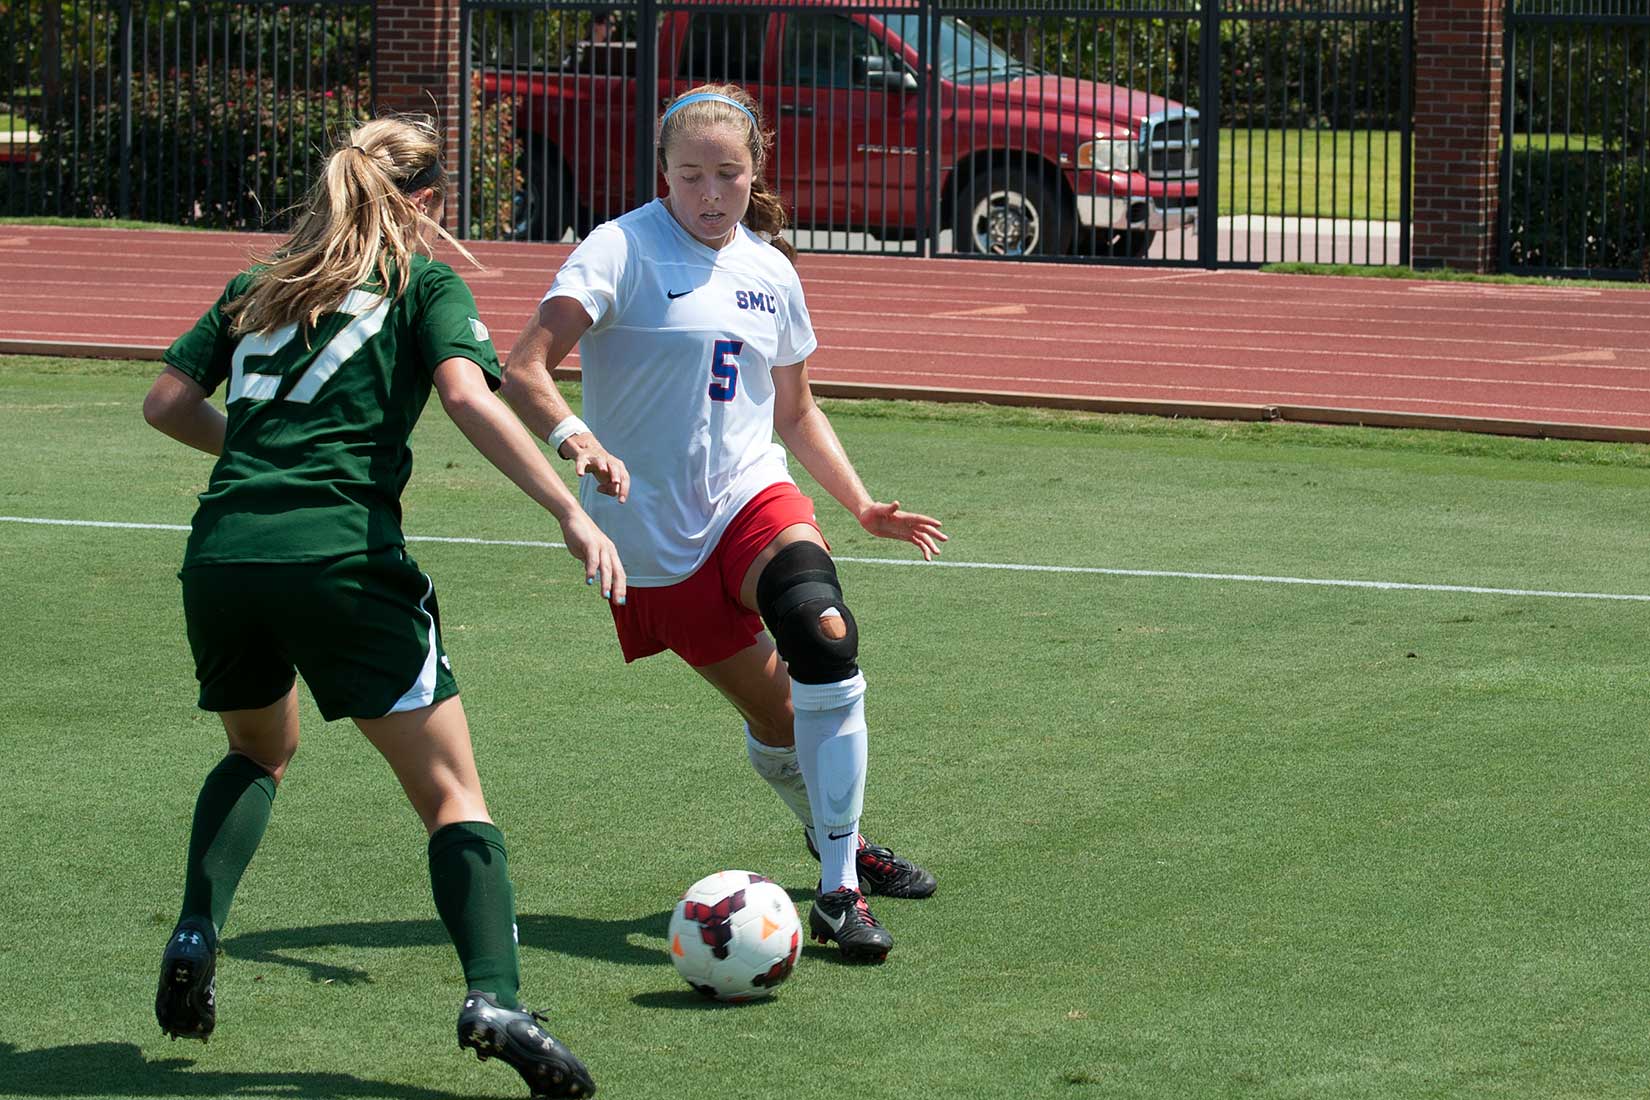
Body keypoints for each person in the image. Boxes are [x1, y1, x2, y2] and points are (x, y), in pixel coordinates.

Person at [141, 115, 621, 1098]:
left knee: (258, 750)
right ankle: (496, 997)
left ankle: (194, 928)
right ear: (429, 203)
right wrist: (570, 507)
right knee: (451, 793)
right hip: (342, 560)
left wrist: (260, 455)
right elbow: (470, 397)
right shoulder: (423, 284)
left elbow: (165, 403)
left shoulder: (261, 282)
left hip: (223, 555)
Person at [501, 84, 947, 964]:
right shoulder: (620, 248)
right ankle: (844, 838)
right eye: (692, 175)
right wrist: (575, 438)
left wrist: (859, 504)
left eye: (729, 175)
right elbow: (524, 367)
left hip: (750, 495)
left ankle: (839, 892)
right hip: (648, 540)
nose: (711, 194)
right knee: (781, 723)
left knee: (822, 630)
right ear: (662, 173)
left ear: (755, 172)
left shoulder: (771, 269)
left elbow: (795, 410)